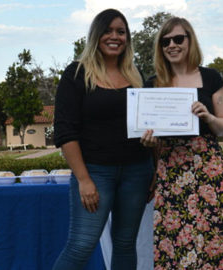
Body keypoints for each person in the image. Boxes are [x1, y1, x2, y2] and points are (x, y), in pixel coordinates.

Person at [141, 17, 223, 269]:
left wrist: (208, 116)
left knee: (217, 233)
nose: (172, 45)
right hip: (171, 169)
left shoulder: (211, 77)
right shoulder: (152, 84)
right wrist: (147, 141)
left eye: (178, 39)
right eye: (166, 41)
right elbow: (147, 133)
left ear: (190, 40)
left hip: (209, 168)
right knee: (177, 237)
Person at [52, 9, 153, 270]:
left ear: (127, 38)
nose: (114, 36)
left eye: (121, 32)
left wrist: (153, 148)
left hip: (137, 171)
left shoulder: (136, 75)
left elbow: (147, 125)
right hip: (95, 173)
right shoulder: (76, 74)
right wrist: (84, 180)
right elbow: (65, 132)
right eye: (108, 31)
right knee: (81, 245)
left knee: (125, 244)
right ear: (96, 35)